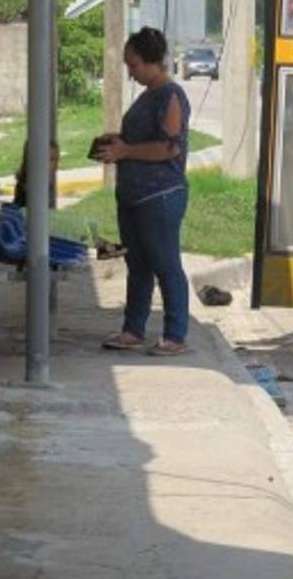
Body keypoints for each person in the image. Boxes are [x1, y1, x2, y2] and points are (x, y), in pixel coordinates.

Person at [96, 27, 192, 356]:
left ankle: (175, 334)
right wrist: (118, 143)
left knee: (165, 264)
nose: (131, 72)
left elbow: (169, 147)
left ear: (153, 61)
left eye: (134, 65)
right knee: (137, 265)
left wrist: (126, 151)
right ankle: (132, 329)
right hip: (132, 196)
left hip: (159, 196)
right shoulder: (147, 95)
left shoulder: (170, 95)